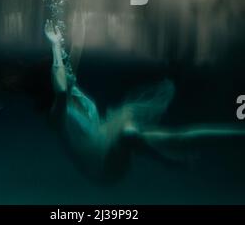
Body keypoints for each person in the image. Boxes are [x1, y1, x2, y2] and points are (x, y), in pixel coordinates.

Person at [45, 20, 245, 183]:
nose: (69, 68)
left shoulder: (74, 91)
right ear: (56, 80)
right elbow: (61, 89)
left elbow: (72, 59)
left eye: (68, 66)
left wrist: (80, 24)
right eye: (64, 69)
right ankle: (170, 161)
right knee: (128, 134)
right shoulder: (59, 113)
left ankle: (239, 133)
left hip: (108, 141)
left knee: (180, 137)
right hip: (102, 168)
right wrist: (54, 46)